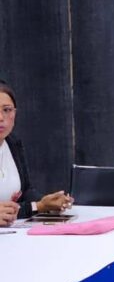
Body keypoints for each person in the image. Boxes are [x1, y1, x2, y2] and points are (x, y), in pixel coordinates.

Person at [0, 82, 73, 227]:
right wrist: (38, 207)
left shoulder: (13, 143)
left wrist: (46, 202)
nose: (1, 117)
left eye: (7, 110)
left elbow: (26, 191)